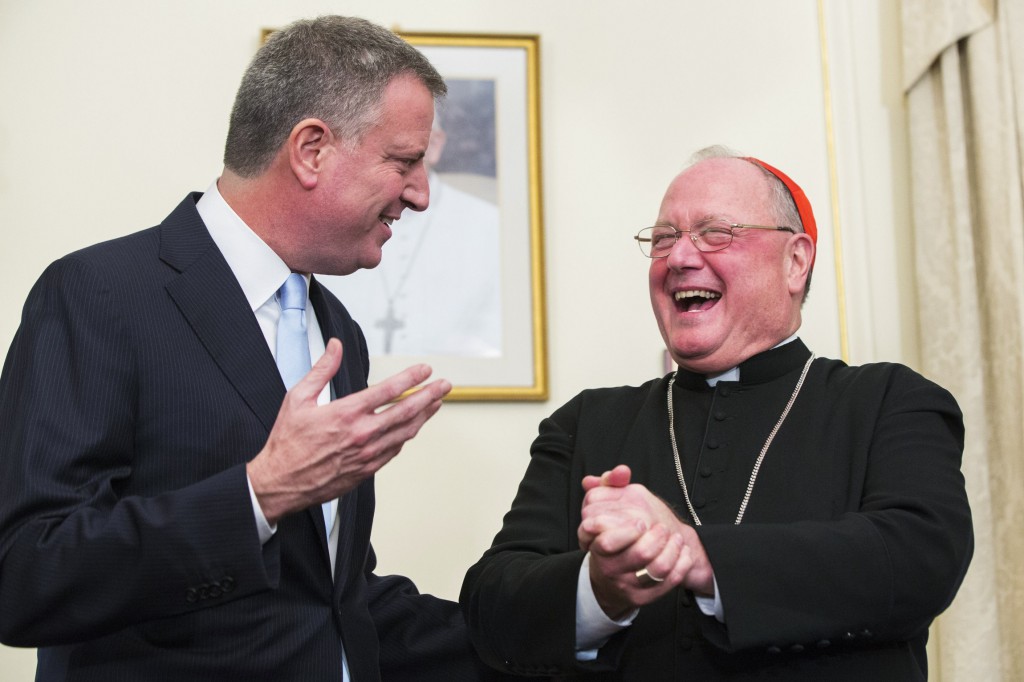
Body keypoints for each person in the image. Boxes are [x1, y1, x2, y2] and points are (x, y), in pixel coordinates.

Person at [0, 16, 495, 681]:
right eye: (404, 162)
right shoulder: (99, 296)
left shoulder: (336, 329)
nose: (422, 195)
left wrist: (577, 616)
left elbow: (330, 602)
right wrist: (257, 495)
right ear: (311, 150)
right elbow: (27, 574)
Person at [460, 146, 973, 680]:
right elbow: (491, 602)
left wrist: (697, 554)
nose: (679, 257)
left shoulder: (889, 400)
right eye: (663, 238)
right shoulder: (587, 422)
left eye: (715, 232)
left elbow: (920, 557)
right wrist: (599, 589)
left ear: (796, 261)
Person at [322, 111, 502, 358]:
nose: (418, 199)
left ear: (436, 145)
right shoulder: (331, 220)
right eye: (397, 157)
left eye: (411, 157)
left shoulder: (488, 223)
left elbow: (495, 329)